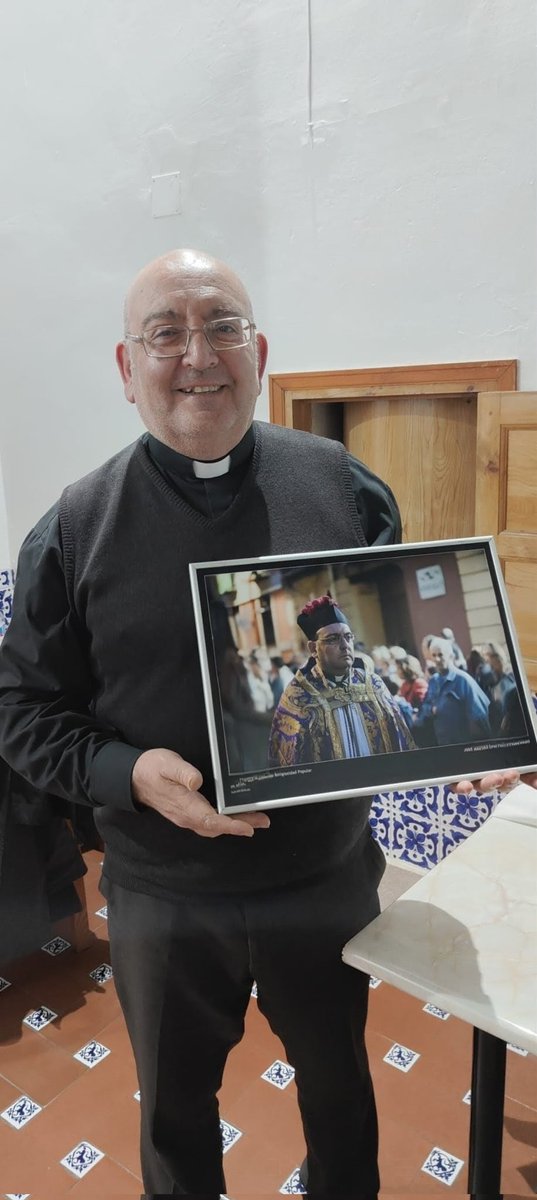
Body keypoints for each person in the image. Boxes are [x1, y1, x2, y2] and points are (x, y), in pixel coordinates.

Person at [0, 248, 532, 1199]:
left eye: (222, 326)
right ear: (127, 369)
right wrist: (127, 772)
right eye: (164, 332)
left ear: (259, 352)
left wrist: (455, 745)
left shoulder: (342, 487)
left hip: (322, 878)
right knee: (173, 1111)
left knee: (338, 1090)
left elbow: (387, 689)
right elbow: (22, 711)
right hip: (166, 897)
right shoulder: (75, 529)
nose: (196, 354)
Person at [269, 596, 415, 766]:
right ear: (313, 648)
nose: (345, 645)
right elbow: (287, 762)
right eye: (332, 639)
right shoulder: (297, 696)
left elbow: (402, 741)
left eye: (348, 637)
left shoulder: (374, 685)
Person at [413, 636, 491, 747]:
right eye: (434, 655)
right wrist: (431, 710)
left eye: (440, 655)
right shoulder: (433, 681)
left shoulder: (463, 680)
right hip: (442, 744)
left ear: (451, 656)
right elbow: (425, 708)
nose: (437, 659)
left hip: (464, 745)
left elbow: (480, 716)